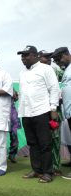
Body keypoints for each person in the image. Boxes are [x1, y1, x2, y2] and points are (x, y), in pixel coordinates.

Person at [17, 45, 60, 183]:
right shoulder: (22, 72)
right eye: (22, 55)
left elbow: (54, 89)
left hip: (42, 111)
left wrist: (53, 109)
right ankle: (37, 170)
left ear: (35, 55)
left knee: (45, 143)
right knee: (32, 143)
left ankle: (48, 172)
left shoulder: (46, 69)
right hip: (26, 112)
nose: (23, 58)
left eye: (26, 55)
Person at [38, 50, 62, 176]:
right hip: (40, 112)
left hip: (54, 112)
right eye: (45, 57)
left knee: (55, 139)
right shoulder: (35, 72)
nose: (49, 59)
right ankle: (43, 167)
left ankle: (56, 167)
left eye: (50, 57)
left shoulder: (56, 71)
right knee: (42, 141)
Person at [51, 47, 71, 180]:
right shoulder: (66, 70)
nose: (58, 62)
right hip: (68, 110)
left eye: (59, 59)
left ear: (66, 54)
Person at [7, 89, 21, 163]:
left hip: (12, 114)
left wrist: (15, 94)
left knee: (14, 135)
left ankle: (12, 154)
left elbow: (16, 98)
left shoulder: (11, 87)